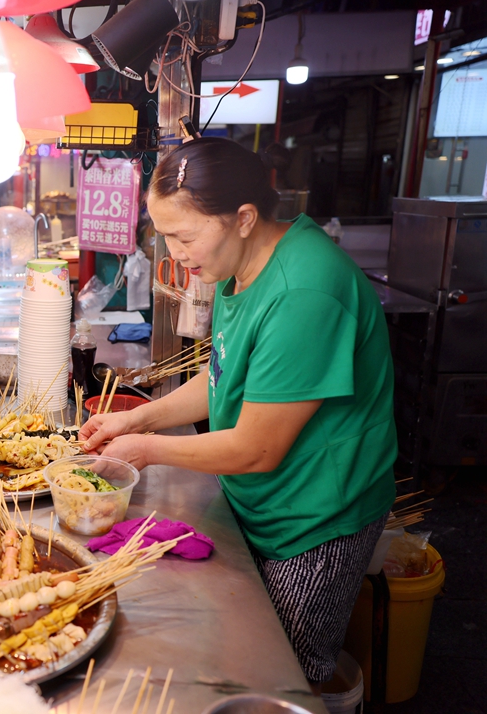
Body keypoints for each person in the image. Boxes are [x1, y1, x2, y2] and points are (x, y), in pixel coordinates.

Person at [79, 137, 396, 690]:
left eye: (183, 236)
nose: (175, 253)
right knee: (240, 657)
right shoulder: (236, 265)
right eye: (164, 236)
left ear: (244, 217)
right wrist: (137, 419)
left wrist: (147, 451)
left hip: (316, 518)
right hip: (260, 498)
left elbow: (257, 446)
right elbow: (225, 376)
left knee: (283, 677)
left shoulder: (304, 290)